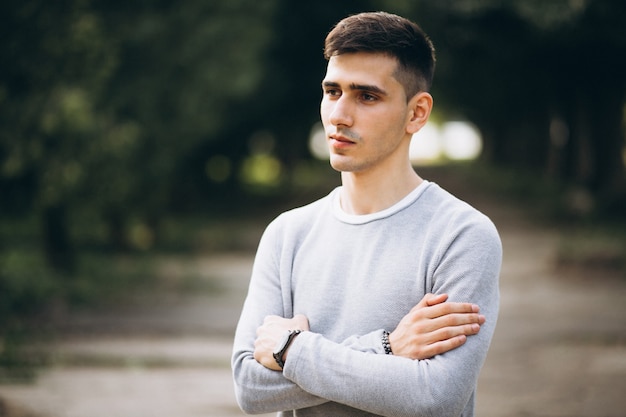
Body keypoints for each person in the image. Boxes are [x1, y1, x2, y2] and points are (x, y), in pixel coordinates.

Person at [231, 11, 501, 417]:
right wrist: (386, 348)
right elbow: (251, 388)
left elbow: (435, 395)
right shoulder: (288, 234)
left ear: (417, 113)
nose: (339, 115)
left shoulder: (462, 235)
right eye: (332, 91)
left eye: (367, 96)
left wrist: (291, 351)